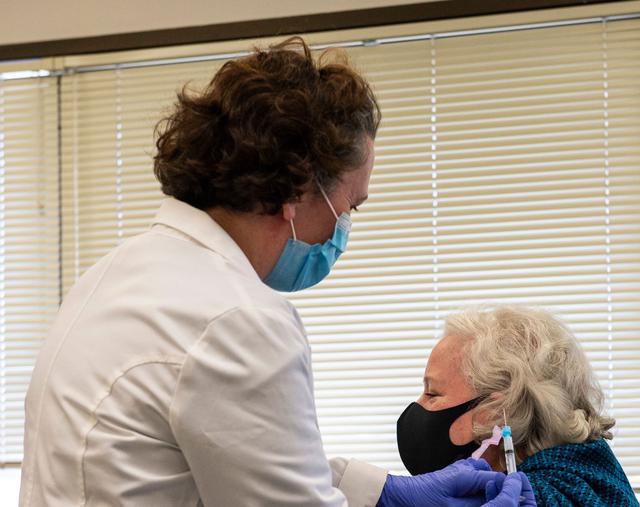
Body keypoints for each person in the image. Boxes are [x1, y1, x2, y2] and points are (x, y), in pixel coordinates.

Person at [19, 37, 527, 506]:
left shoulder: (116, 275)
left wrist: (384, 493)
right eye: (350, 204)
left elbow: (235, 449)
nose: (344, 226)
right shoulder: (237, 321)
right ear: (298, 188)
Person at [396, 305, 640, 506]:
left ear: (494, 413)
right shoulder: (590, 471)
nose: (418, 406)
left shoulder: (531, 498)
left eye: (432, 393)